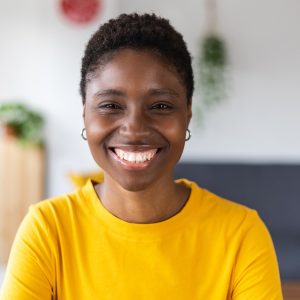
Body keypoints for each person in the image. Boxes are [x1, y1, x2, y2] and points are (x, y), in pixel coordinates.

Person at [0, 13, 283, 300]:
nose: (134, 128)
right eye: (111, 105)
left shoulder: (241, 234)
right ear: (85, 113)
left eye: (160, 105)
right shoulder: (48, 230)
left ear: (187, 114)